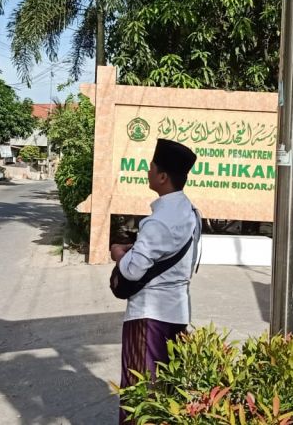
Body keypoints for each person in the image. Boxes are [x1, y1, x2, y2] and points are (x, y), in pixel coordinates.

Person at [111, 139, 201, 423]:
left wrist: (118, 254)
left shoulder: (159, 220)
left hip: (149, 316)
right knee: (167, 392)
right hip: (178, 312)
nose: (147, 171)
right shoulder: (191, 213)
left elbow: (133, 271)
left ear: (162, 176)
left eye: (151, 167)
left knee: (141, 391)